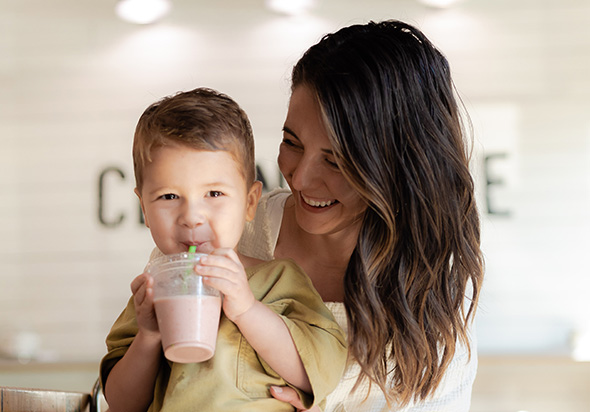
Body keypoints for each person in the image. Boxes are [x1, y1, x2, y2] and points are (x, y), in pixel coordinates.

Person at [238, 20, 485, 411]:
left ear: (398, 168)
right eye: (292, 142)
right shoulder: (239, 232)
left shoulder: (431, 290)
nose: (299, 178)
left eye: (335, 161)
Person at [99, 87, 347, 412]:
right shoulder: (152, 291)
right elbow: (121, 402)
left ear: (249, 203)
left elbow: (319, 371)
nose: (191, 217)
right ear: (144, 208)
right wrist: (148, 336)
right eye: (169, 197)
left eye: (214, 194)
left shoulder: (279, 278)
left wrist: (246, 309)